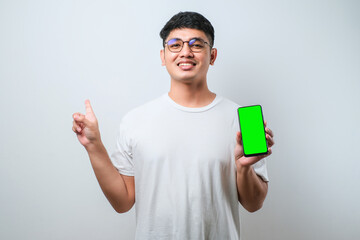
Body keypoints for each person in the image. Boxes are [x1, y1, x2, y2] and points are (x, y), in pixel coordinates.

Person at [72, 11, 274, 240]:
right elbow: (122, 202)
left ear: (213, 55)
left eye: (197, 45)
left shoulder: (244, 121)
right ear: (163, 55)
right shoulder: (135, 120)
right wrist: (94, 145)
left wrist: (244, 167)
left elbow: (254, 204)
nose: (185, 52)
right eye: (175, 45)